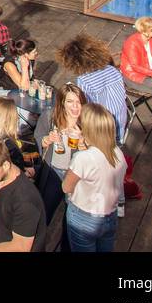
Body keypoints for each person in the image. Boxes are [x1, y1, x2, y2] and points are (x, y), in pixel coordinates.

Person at [63, 103, 126, 252]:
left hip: (83, 218)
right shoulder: (118, 153)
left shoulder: (83, 158)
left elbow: (66, 187)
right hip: (110, 216)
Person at [35, 82, 87, 227]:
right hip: (54, 172)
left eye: (78, 102)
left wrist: (83, 144)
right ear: (62, 103)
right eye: (70, 102)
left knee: (72, 219)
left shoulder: (87, 122)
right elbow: (39, 138)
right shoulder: (50, 117)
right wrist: (47, 140)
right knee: (45, 213)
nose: (75, 106)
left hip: (76, 175)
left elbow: (94, 155)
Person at [58, 34, 128, 143]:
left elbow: (85, 107)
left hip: (104, 129)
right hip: (121, 124)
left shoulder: (84, 79)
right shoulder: (112, 69)